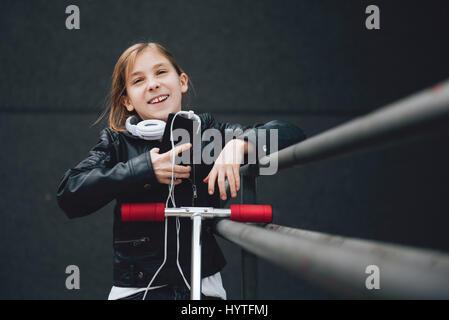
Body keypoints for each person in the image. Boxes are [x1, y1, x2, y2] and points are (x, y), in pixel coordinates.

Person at [56, 42, 306, 300]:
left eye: (161, 72)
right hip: (137, 289)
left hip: (203, 286)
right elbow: (70, 194)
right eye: (138, 80)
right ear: (127, 101)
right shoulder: (117, 142)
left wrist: (240, 144)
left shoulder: (209, 133)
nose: (152, 84)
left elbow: (294, 137)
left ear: (182, 81)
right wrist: (142, 169)